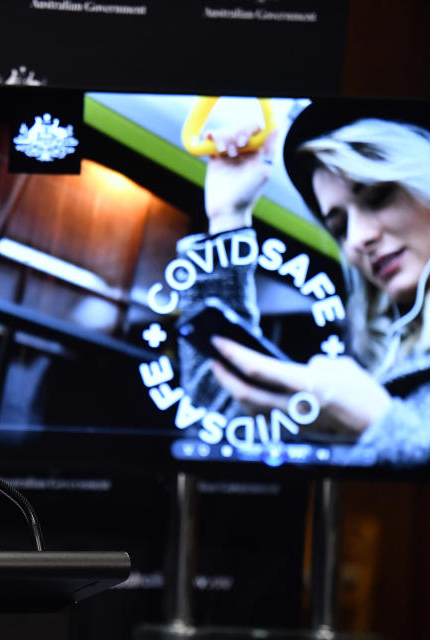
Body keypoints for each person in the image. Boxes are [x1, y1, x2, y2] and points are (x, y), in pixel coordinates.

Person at [180, 100, 430, 467]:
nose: (358, 239)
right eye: (339, 227)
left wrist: (378, 423)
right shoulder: (386, 366)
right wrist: (228, 218)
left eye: (378, 196)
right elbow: (222, 417)